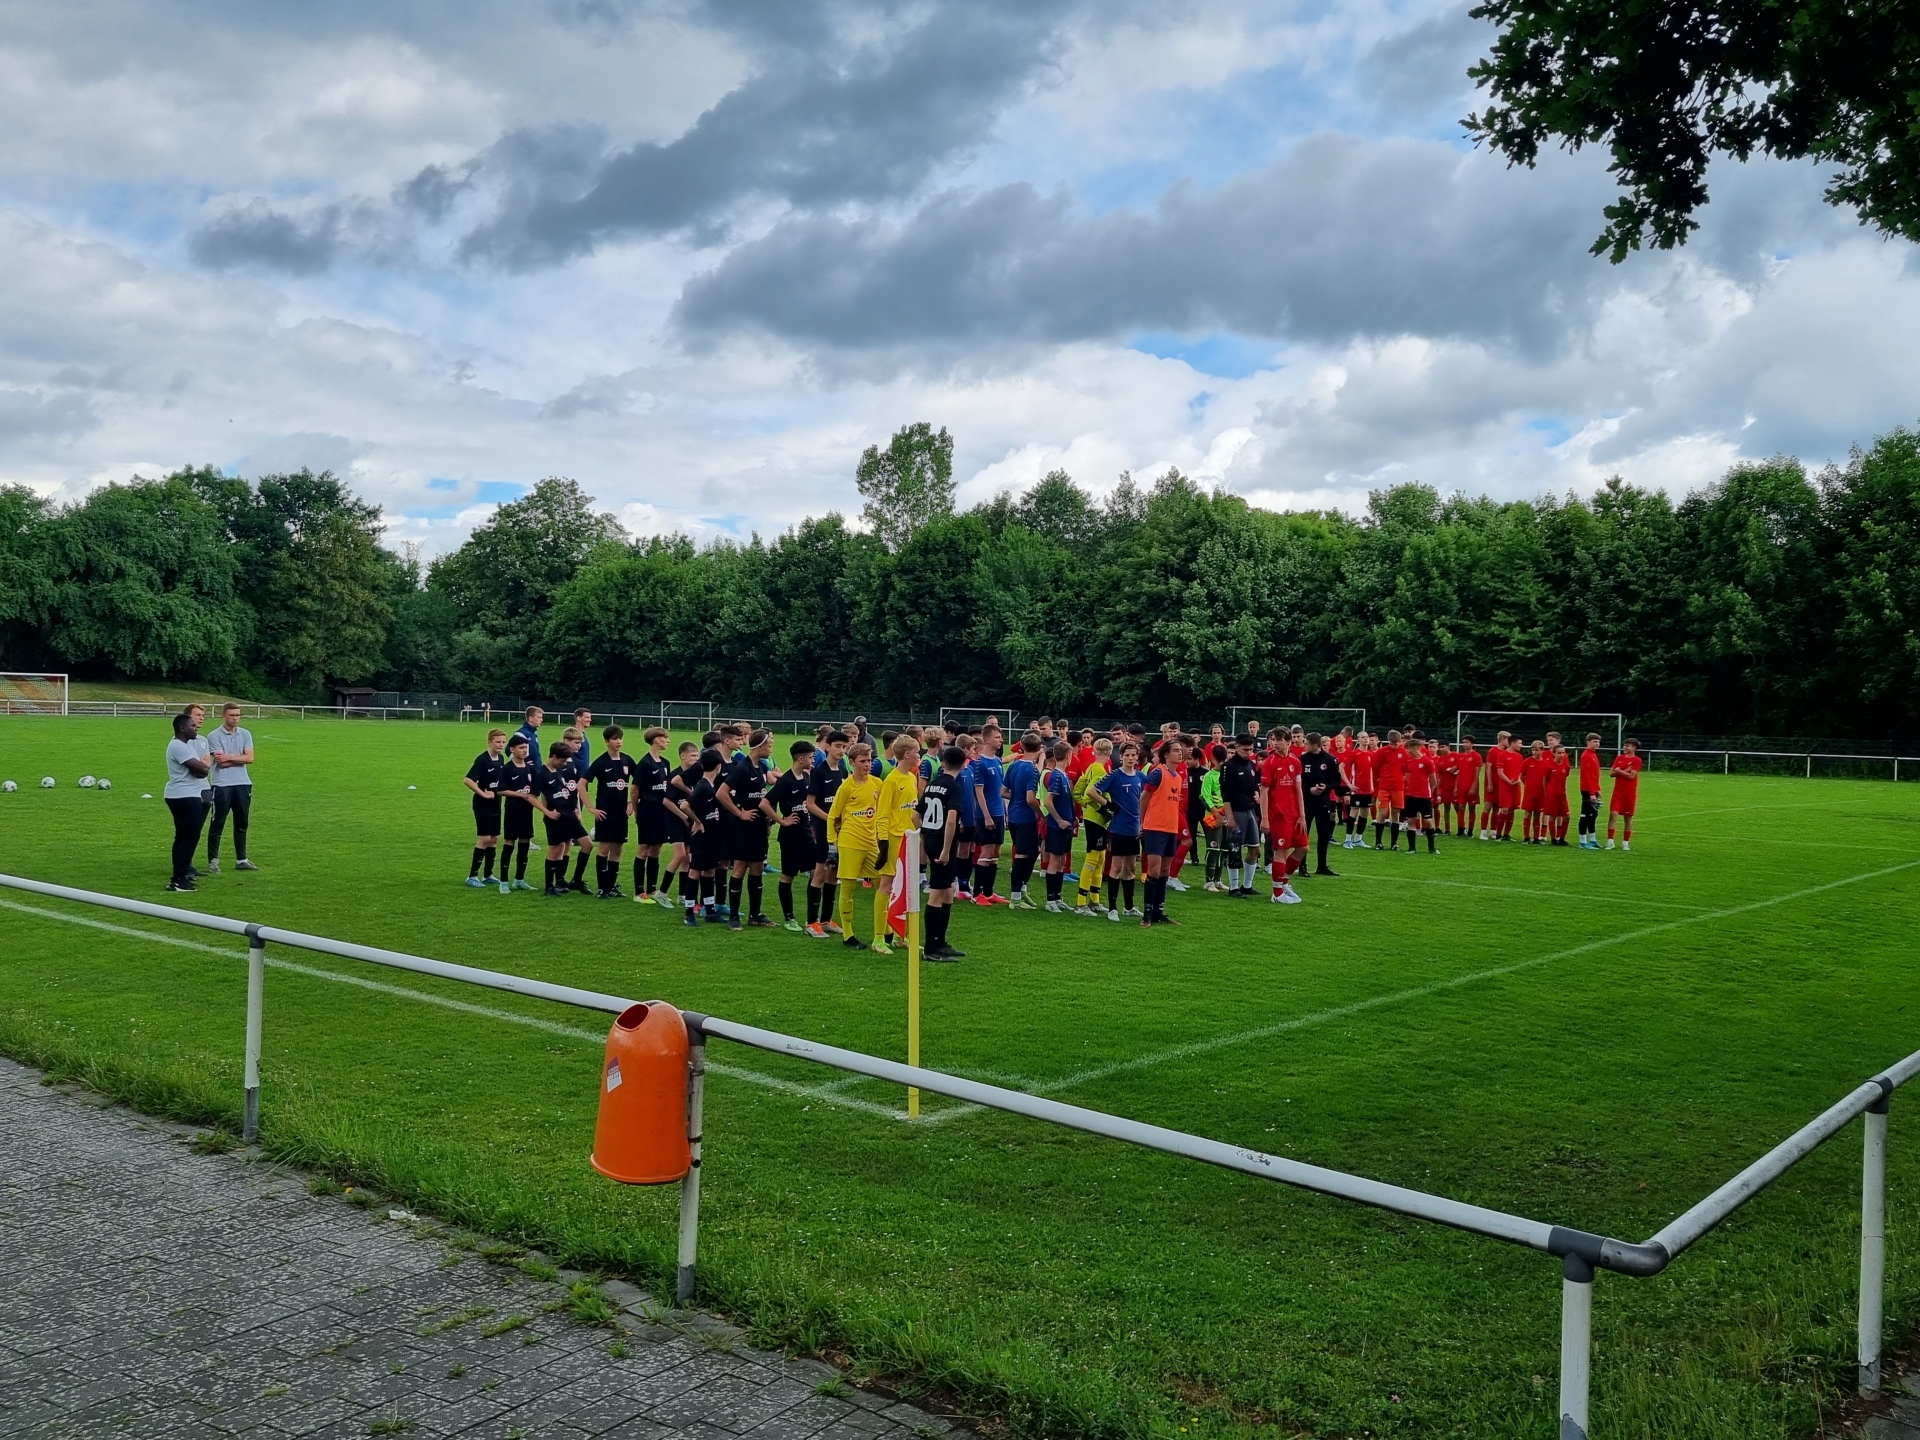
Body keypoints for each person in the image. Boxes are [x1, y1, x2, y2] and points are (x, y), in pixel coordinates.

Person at [827, 742, 887, 950]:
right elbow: (833, 815)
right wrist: (832, 845)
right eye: (862, 761)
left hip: (871, 843)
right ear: (852, 763)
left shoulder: (878, 783)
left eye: (869, 760)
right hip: (850, 842)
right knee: (849, 887)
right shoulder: (846, 786)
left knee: (882, 883)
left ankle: (886, 930)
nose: (867, 765)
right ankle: (848, 934)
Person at [718, 728, 775, 929]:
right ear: (759, 747)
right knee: (740, 866)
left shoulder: (762, 766)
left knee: (757, 866)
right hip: (743, 826)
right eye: (769, 745)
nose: (771, 749)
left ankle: (755, 915)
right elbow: (721, 793)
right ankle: (734, 917)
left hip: (759, 824)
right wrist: (739, 813)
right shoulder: (742, 767)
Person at [764, 741, 818, 933]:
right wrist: (781, 820)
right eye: (810, 757)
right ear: (800, 758)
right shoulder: (786, 781)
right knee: (788, 876)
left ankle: (813, 918)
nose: (813, 760)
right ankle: (789, 917)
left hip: (807, 834)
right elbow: (764, 803)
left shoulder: (807, 776)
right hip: (791, 837)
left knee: (816, 874)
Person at [1139, 737, 1188, 926]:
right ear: (1166, 754)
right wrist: (1142, 822)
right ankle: (1147, 915)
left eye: (1180, 750)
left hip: (1171, 828)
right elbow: (1144, 797)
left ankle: (1158, 913)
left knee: (1165, 870)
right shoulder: (1158, 772)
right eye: (1176, 750)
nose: (1180, 753)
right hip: (1155, 827)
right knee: (1153, 869)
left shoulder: (1178, 777)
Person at [1092, 743, 1145, 919]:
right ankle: (1113, 908)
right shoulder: (1115, 775)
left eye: (1133, 755)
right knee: (1116, 867)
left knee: (1131, 868)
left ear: (1137, 757)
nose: (1131, 758)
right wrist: (1108, 804)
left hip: (1134, 829)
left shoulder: (1140, 776)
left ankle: (1128, 907)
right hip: (1119, 828)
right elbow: (1092, 791)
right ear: (1121, 756)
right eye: (1127, 755)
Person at [205, 702, 258, 874]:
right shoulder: (214, 736)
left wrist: (229, 757)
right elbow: (221, 763)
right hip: (222, 785)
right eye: (232, 715)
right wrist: (239, 758)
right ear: (224, 716)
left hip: (243, 783)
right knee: (217, 823)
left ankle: (242, 860)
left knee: (242, 822)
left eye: (238, 715)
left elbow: (250, 758)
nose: (235, 718)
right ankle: (213, 861)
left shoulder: (245, 734)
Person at [805, 730, 850, 934]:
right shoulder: (819, 772)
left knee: (833, 874)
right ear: (828, 746)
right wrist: (830, 819)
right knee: (820, 874)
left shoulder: (842, 771)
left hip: (840, 832)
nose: (841, 750)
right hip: (823, 830)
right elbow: (810, 804)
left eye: (844, 747)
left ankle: (825, 920)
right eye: (838, 746)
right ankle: (811, 922)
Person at [585, 725, 637, 898]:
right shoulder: (601, 762)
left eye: (620, 738)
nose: (619, 741)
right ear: (607, 741)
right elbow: (581, 784)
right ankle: (602, 888)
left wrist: (632, 803)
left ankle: (611, 886)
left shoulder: (627, 760)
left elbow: (639, 782)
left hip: (621, 813)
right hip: (605, 813)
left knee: (617, 850)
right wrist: (591, 808)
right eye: (615, 739)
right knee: (604, 848)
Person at [163, 712, 212, 892]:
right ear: (182, 728)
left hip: (185, 794)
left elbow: (200, 769)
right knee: (188, 837)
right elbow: (203, 769)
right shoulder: (179, 746)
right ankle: (178, 880)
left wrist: (200, 769)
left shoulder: (184, 745)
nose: (195, 728)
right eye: (192, 725)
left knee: (184, 836)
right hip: (184, 796)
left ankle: (181, 876)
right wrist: (201, 768)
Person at [531, 741, 588, 896]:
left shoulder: (558, 770)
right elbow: (532, 797)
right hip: (555, 817)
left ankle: (572, 880)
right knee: (555, 849)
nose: (564, 764)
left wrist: (576, 809)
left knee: (586, 845)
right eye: (562, 760)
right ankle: (549, 886)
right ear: (554, 756)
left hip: (569, 814)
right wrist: (547, 812)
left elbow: (570, 790)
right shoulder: (541, 773)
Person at [679, 747, 726, 922]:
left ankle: (710, 911)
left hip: (713, 836)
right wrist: (697, 821)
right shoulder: (703, 786)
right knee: (695, 873)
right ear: (718, 767)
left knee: (709, 871)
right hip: (702, 839)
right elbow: (684, 805)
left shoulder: (711, 785)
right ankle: (689, 913)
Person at [1260, 736, 1306, 903]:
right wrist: (1265, 818)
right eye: (1273, 740)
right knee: (1282, 851)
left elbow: (1298, 789)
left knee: (1303, 848)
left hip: (1294, 814)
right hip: (1279, 814)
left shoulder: (1295, 761)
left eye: (1279, 740)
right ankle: (1277, 893)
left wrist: (1302, 815)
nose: (1275, 743)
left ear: (1288, 742)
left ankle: (1284, 882)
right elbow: (1264, 791)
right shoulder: (1270, 762)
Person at [1071, 737, 1112, 915]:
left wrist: (1086, 804)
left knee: (1100, 859)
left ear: (1094, 750)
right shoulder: (1099, 769)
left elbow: (1077, 792)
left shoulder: (1091, 767)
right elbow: (1090, 793)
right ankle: (1081, 903)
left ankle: (1094, 900)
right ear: (1109, 752)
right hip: (1096, 819)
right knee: (1092, 859)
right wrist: (1101, 807)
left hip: (1096, 819)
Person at [631, 727, 673, 903]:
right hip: (648, 810)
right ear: (656, 739)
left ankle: (652, 889)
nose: (668, 741)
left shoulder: (665, 763)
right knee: (644, 849)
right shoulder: (644, 763)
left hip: (662, 812)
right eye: (665, 737)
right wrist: (636, 811)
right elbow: (635, 790)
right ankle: (639, 892)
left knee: (657, 848)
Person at [463, 728, 508, 887]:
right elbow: (468, 780)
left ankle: (488, 874)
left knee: (494, 838)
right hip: (482, 804)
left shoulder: (501, 759)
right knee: (484, 838)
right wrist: (482, 793)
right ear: (489, 742)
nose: (501, 745)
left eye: (503, 742)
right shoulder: (482, 760)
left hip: (496, 802)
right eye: (498, 742)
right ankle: (472, 876)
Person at [1002, 734, 1043, 909]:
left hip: (1013, 815)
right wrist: (1041, 814)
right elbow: (1030, 799)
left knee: (1033, 852)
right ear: (1040, 749)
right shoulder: (1032, 770)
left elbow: (1003, 791)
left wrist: (1016, 797)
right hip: (1026, 818)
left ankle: (1022, 889)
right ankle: (1016, 899)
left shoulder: (1014, 765)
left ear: (1022, 748)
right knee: (1022, 855)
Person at [968, 722, 1007, 904]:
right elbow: (978, 791)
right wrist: (986, 815)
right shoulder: (980, 763)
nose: (1001, 740)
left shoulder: (998, 761)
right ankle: (977, 894)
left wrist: (1004, 812)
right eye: (998, 737)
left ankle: (989, 892)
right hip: (987, 815)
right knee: (986, 851)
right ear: (988, 739)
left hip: (999, 813)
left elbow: (1000, 790)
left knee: (996, 852)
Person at [1218, 734, 1263, 895]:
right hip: (1236, 811)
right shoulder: (1228, 766)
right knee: (1235, 849)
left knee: (1255, 849)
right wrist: (1229, 816)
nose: (1248, 752)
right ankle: (1234, 886)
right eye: (1245, 749)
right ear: (1236, 747)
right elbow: (1225, 793)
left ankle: (1247, 885)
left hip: (1250, 810)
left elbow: (1254, 785)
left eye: (1251, 749)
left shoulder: (1251, 764)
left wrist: (1256, 793)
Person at [1299, 733, 1347, 875]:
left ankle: (1322, 866)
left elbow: (1336, 780)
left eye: (1306, 743)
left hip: (1323, 801)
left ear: (1315, 745)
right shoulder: (1302, 760)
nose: (1304, 746)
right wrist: (1309, 789)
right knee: (1304, 834)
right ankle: (1302, 866)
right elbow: (1298, 781)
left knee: (1324, 833)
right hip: (1306, 801)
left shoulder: (1330, 760)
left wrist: (1326, 787)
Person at [1039, 742, 1078, 912]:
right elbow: (1048, 801)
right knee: (1055, 861)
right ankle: (1050, 900)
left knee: (1062, 860)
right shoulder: (1056, 776)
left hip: (1066, 826)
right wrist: (1059, 820)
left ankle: (1057, 897)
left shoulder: (1063, 775)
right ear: (1069, 756)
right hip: (1057, 827)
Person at [498, 734, 537, 891]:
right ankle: (503, 882)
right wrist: (519, 795)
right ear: (512, 750)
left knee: (525, 843)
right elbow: (500, 790)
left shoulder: (531, 768)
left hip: (527, 811)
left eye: (526, 747)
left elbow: (535, 789)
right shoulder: (507, 769)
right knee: (509, 843)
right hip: (513, 810)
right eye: (521, 748)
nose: (525, 750)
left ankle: (519, 879)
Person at [1402, 736, 1439, 853]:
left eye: (1408, 748)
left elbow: (1433, 781)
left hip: (1424, 797)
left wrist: (1428, 792)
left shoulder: (1428, 762)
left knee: (1428, 821)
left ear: (1416, 747)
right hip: (1411, 797)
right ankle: (1412, 848)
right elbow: (1407, 779)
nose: (1407, 751)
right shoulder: (1408, 762)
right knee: (1411, 820)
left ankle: (1432, 848)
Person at [1371, 730, 1406, 850]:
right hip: (1384, 786)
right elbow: (1375, 767)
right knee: (1383, 812)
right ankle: (1378, 842)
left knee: (1396, 813)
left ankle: (1394, 843)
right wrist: (1378, 779)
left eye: (1396, 743)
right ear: (1388, 741)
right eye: (1392, 743)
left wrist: (1403, 777)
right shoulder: (1382, 751)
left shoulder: (1403, 752)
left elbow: (1406, 767)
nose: (1394, 746)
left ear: (1400, 742)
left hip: (1398, 787)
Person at [1607, 739, 1642, 850]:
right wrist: (1624, 770)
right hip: (1618, 792)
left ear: (1634, 747)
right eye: (1624, 745)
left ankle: (1625, 842)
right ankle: (1610, 841)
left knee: (1628, 818)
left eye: (1627, 746)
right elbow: (1611, 773)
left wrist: (1619, 771)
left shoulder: (1637, 760)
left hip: (1629, 793)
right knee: (1613, 814)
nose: (1625, 747)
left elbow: (1631, 776)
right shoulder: (1619, 758)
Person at [1343, 734, 1376, 851]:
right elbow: (1341, 767)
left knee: (1365, 813)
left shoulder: (1371, 754)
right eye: (1363, 737)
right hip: (1357, 789)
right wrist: (1349, 784)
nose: (1366, 739)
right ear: (1358, 740)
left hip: (1368, 790)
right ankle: (1347, 840)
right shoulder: (1354, 754)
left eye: (1367, 737)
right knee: (1354, 812)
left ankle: (1358, 839)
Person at [1577, 732, 1604, 849]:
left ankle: (1593, 840)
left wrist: (1598, 789)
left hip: (1593, 789)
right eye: (1595, 741)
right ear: (1588, 742)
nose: (1597, 744)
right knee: (1585, 815)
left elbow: (1594, 775)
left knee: (1593, 815)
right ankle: (1582, 841)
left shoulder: (1593, 754)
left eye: (1598, 742)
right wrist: (1592, 792)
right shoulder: (1586, 755)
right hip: (1587, 790)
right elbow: (1586, 775)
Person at [1545, 734, 1573, 846]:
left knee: (1566, 816)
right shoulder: (1549, 766)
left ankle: (1561, 838)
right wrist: (1547, 793)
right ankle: (1553, 839)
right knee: (1553, 815)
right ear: (1554, 753)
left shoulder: (1566, 766)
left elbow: (1564, 777)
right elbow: (1545, 780)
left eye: (1563, 752)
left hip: (1562, 793)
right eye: (1559, 753)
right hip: (1552, 793)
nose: (1562, 755)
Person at [1453, 735, 1483, 838]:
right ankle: (1461, 830)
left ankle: (1470, 831)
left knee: (1471, 808)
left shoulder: (1476, 756)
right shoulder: (1460, 756)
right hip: (1461, 786)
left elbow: (1477, 773)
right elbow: (1459, 772)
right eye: (1463, 742)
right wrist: (1456, 787)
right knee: (1460, 807)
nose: (1464, 744)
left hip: (1471, 786)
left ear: (1472, 744)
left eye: (1467, 742)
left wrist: (1474, 787)